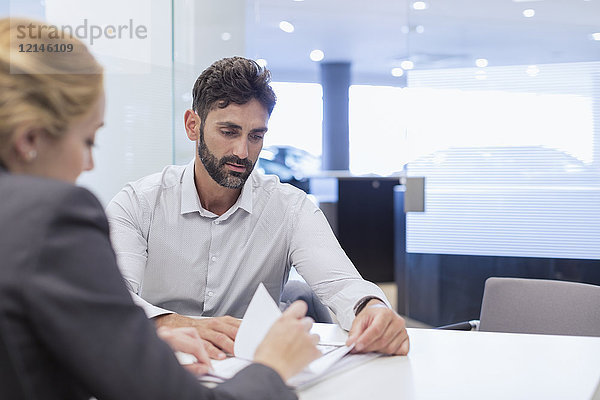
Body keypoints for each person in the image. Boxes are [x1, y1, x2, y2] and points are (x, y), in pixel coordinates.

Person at [0, 17, 320, 400]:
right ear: (29, 139)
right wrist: (273, 368)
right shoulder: (53, 218)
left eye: (255, 136)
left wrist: (133, 349)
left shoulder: (286, 203)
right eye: (88, 140)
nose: (88, 164)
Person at [106, 56, 410, 360]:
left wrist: (372, 308)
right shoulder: (139, 204)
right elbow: (111, 300)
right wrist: (180, 325)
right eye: (229, 132)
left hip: (252, 370)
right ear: (192, 126)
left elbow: (342, 285)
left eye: (256, 136)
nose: (243, 152)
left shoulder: (289, 208)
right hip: (160, 368)